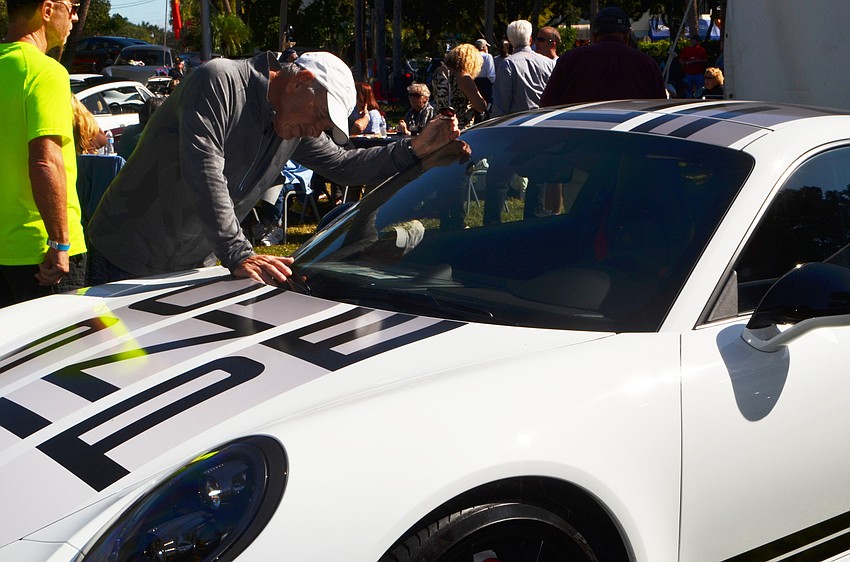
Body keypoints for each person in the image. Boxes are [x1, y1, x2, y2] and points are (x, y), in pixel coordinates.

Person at [86, 51, 462, 286]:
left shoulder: (295, 121)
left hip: (192, 261)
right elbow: (205, 168)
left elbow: (345, 165)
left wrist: (413, 149)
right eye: (319, 116)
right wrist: (238, 253)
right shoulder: (219, 80)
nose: (317, 130)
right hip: (124, 256)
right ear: (300, 81)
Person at [0, 0, 88, 307]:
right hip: (43, 256)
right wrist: (59, 241)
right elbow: (44, 160)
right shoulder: (45, 71)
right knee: (69, 353)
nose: (75, 17)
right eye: (72, 6)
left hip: (6, 251)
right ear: (48, 10)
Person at [540, 6, 666, 106]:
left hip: (579, 134)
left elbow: (547, 104)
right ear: (627, 35)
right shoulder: (646, 64)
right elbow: (659, 110)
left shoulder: (570, 60)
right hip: (630, 136)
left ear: (594, 36)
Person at [491, 20, 554, 117]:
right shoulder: (549, 63)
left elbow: (501, 105)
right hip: (544, 120)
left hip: (518, 123)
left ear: (510, 41)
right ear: (530, 39)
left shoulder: (508, 64)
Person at [431, 43, 488, 130]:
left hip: (439, 125)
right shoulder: (463, 77)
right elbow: (480, 107)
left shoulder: (439, 73)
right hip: (459, 128)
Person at [473, 38, 495, 107]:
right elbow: (491, 73)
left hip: (474, 82)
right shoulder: (488, 56)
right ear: (483, 47)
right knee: (487, 106)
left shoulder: (472, 56)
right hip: (485, 83)